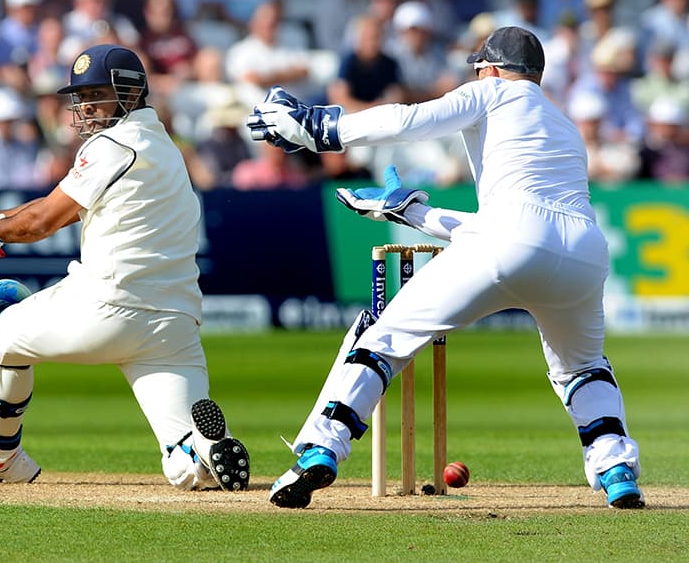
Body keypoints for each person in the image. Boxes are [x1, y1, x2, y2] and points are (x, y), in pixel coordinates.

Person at [246, 26, 645, 510]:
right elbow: (522, 223)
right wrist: (412, 212)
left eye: (479, 69)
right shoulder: (563, 124)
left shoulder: (493, 90)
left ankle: (320, 449)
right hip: (583, 251)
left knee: (383, 337)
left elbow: (408, 120)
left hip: (509, 239)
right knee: (582, 367)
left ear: (491, 69)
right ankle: (615, 468)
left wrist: (321, 131)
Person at [0, 44, 251, 492]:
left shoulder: (111, 145)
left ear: (128, 93)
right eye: (80, 95)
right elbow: (53, 204)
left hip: (106, 307)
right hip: (174, 325)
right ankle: (201, 449)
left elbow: (44, 221)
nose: (85, 106)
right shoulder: (163, 145)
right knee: (182, 470)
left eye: (96, 94)